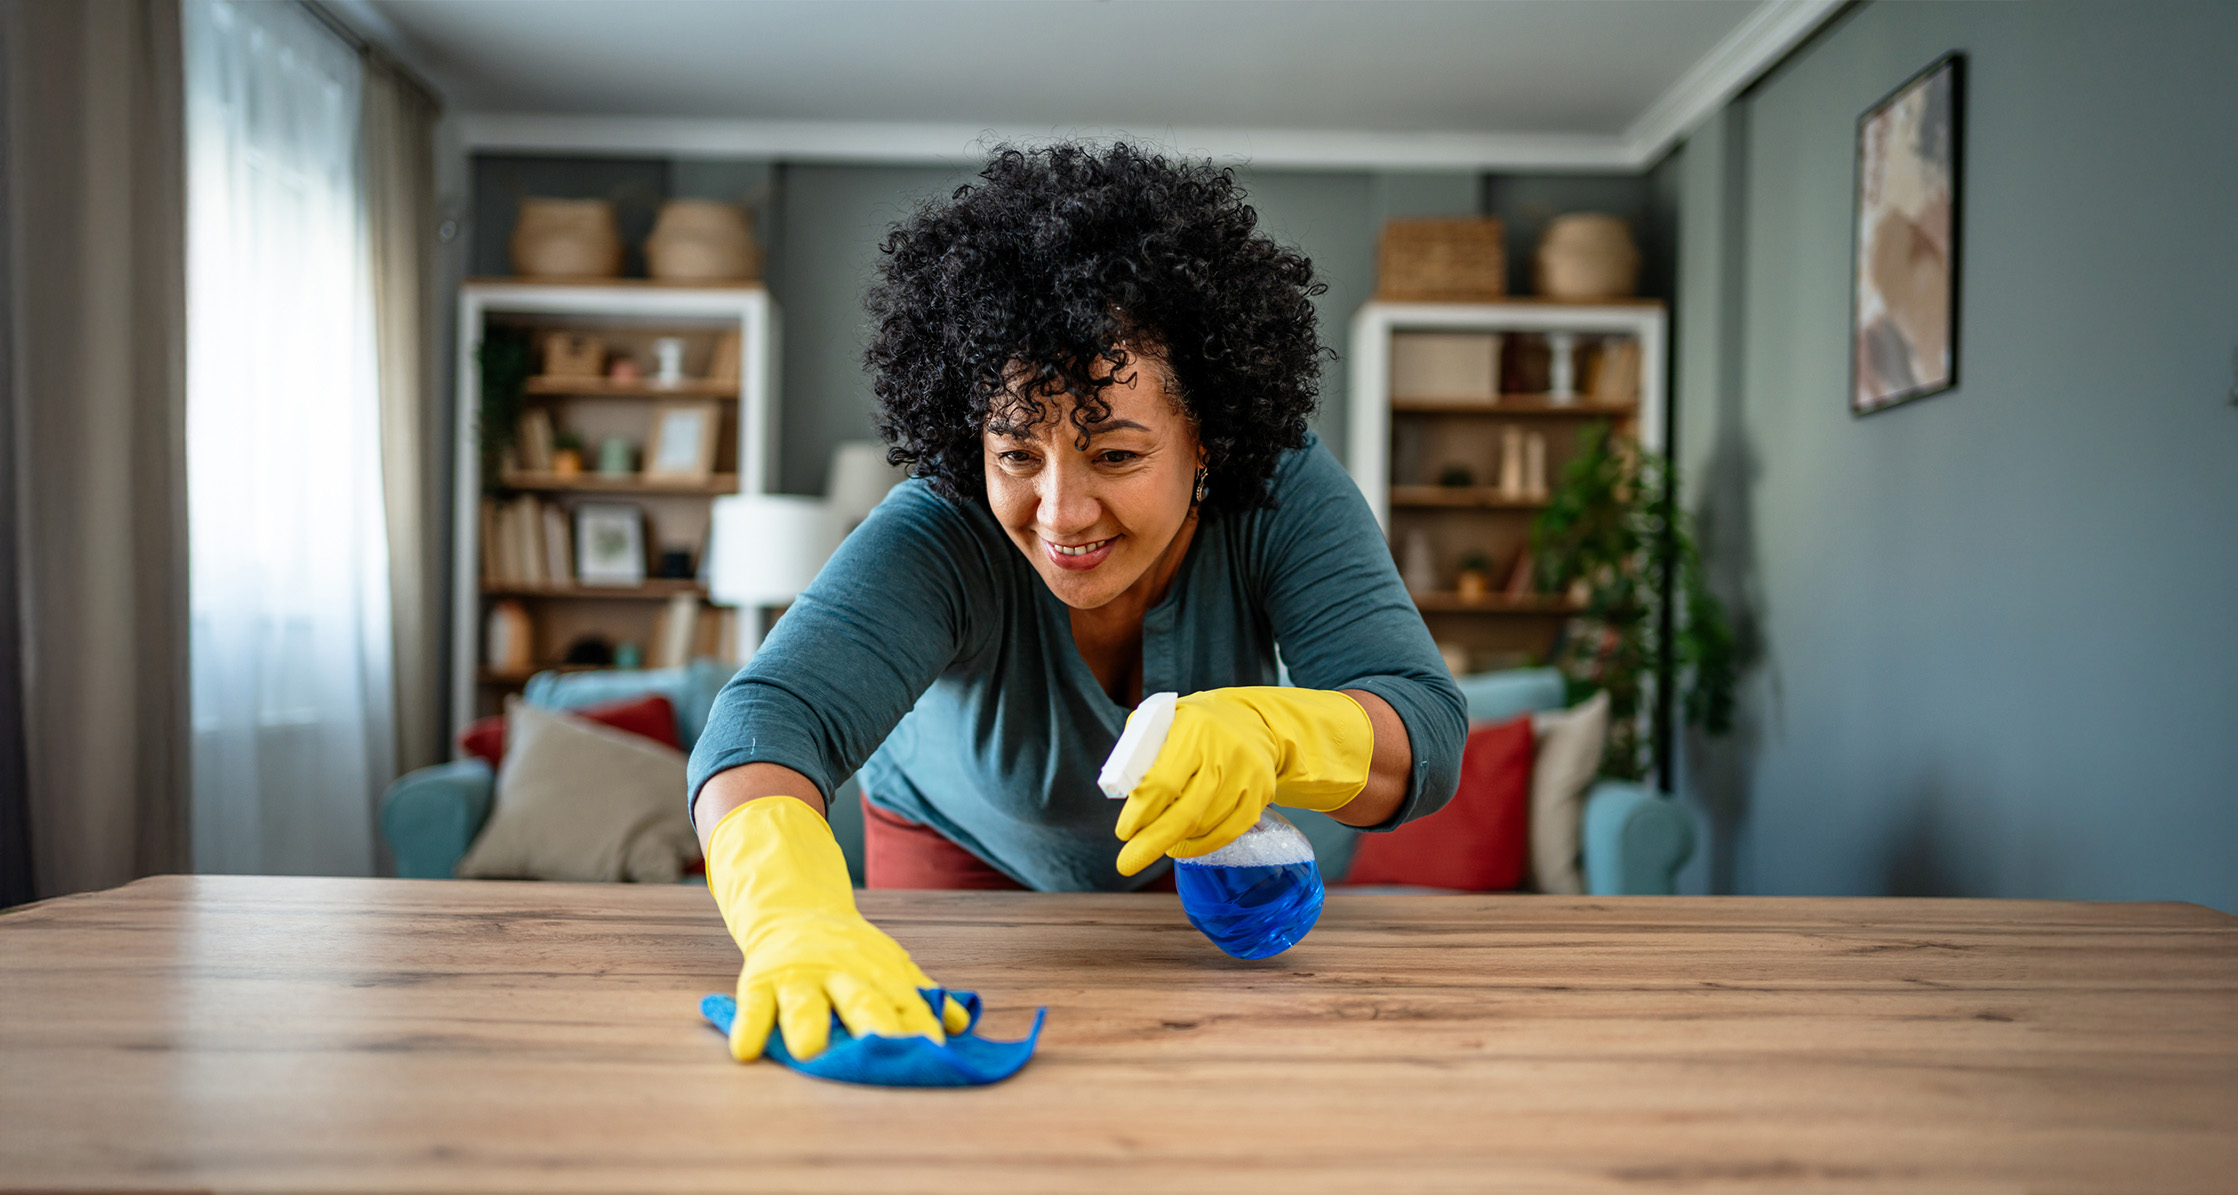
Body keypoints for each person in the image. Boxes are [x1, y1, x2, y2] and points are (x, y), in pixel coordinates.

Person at [691, 143, 1466, 1063]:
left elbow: (1426, 726)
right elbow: (767, 718)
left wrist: (1274, 731)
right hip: (958, 841)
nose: (1060, 513)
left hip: (1182, 853)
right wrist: (790, 920)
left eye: (1117, 455)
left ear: (1206, 439)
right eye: (1018, 454)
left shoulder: (1283, 491)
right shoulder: (943, 524)